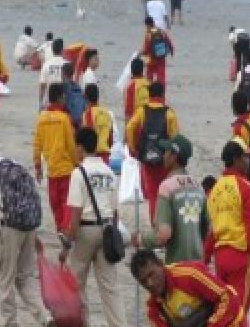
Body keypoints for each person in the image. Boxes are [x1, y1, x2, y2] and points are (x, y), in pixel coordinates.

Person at [0, 127, 57, 327]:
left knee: (7, 279)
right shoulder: (13, 164)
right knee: (26, 277)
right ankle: (45, 317)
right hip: (28, 225)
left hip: (9, 227)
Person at [59, 126, 132, 327]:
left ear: (80, 147)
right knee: (110, 286)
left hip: (85, 231)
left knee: (76, 284)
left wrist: (67, 244)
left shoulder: (78, 173)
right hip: (107, 228)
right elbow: (115, 209)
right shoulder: (109, 171)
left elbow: (76, 212)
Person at [205, 140, 250, 319]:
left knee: (224, 312)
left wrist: (205, 261)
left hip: (220, 258)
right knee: (238, 315)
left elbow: (211, 232)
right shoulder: (245, 187)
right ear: (237, 159)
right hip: (240, 258)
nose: (249, 161)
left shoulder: (215, 190)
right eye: (246, 157)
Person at [133, 135, 205, 264]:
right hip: (198, 265)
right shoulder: (198, 186)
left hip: (177, 265)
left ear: (174, 156)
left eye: (166, 151)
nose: (163, 155)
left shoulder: (167, 186)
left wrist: (140, 239)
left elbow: (163, 235)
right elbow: (207, 228)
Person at [125, 81, 179, 218]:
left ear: (149, 94)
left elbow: (130, 127)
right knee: (166, 193)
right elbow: (175, 138)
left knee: (152, 194)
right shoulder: (169, 113)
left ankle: (154, 224)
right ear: (162, 94)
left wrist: (132, 148)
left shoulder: (142, 111)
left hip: (147, 157)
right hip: (164, 160)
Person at [34, 83, 78, 233]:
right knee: (66, 201)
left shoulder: (42, 118)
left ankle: (60, 228)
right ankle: (65, 228)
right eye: (64, 96)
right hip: (66, 167)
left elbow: (37, 145)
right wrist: (76, 162)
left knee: (54, 202)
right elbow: (71, 145)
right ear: (59, 98)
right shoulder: (65, 119)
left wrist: (37, 166)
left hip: (51, 168)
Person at [80, 84, 115, 164]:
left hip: (93, 155)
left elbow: (88, 137)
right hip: (105, 154)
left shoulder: (87, 114)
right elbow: (110, 139)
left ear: (86, 98)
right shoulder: (107, 113)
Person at [140, 17, 173, 86]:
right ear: (153, 23)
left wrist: (140, 54)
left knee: (149, 78)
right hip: (161, 58)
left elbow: (145, 49)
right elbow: (168, 42)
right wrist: (171, 50)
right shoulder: (161, 31)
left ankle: (150, 93)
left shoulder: (148, 34)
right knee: (161, 78)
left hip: (150, 59)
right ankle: (161, 93)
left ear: (147, 25)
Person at [37, 38, 66, 106]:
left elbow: (42, 85)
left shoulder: (46, 65)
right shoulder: (67, 64)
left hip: (49, 102)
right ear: (62, 50)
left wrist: (40, 103)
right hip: (64, 102)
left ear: (52, 50)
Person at [123, 57, 150, 122]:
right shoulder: (149, 83)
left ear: (131, 70)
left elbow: (128, 109)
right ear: (143, 70)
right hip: (149, 120)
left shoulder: (130, 86)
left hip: (136, 121)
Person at [60, 62, 86, 127]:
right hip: (79, 122)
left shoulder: (62, 87)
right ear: (73, 73)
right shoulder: (78, 88)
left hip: (67, 122)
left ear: (63, 74)